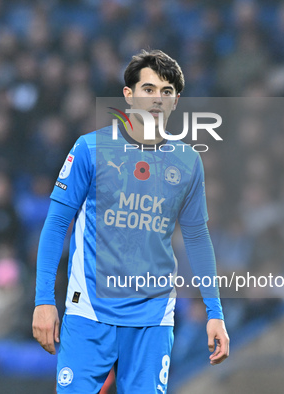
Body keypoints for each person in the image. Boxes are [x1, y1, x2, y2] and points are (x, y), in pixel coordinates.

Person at [33, 49, 229, 393]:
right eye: (149, 89)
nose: (157, 99)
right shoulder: (90, 149)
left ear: (176, 101)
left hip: (152, 320)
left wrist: (215, 311)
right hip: (88, 313)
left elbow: (197, 238)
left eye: (166, 92)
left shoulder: (186, 162)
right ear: (128, 95)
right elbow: (55, 225)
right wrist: (43, 301)